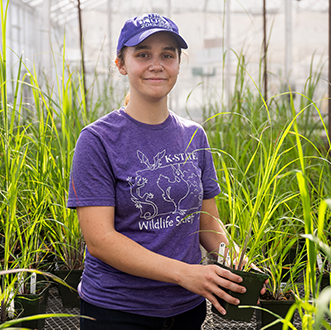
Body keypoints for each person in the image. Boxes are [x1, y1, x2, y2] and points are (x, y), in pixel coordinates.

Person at [67, 13, 262, 330]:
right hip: (117, 310)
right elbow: (100, 239)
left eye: (167, 55)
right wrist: (187, 273)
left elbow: (208, 221)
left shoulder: (194, 135)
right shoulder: (98, 139)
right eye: (143, 54)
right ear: (121, 64)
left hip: (187, 307)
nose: (156, 64)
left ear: (178, 64)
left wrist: (237, 263)